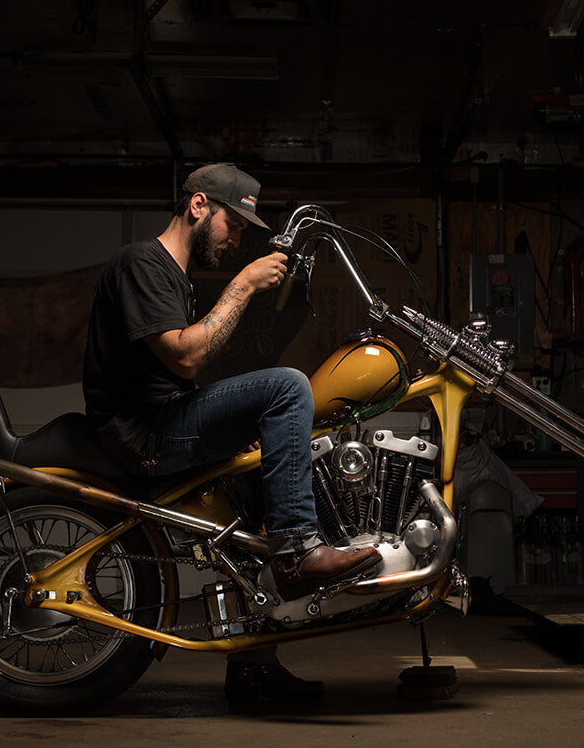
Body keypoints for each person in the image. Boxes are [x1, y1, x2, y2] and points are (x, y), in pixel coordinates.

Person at [82, 162, 381, 703]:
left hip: (162, 418)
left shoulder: (176, 275)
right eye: (234, 224)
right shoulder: (142, 263)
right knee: (289, 387)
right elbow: (187, 355)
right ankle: (297, 553)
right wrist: (243, 285)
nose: (238, 237)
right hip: (143, 433)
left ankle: (253, 667)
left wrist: (237, 429)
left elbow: (176, 375)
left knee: (262, 488)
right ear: (199, 206)